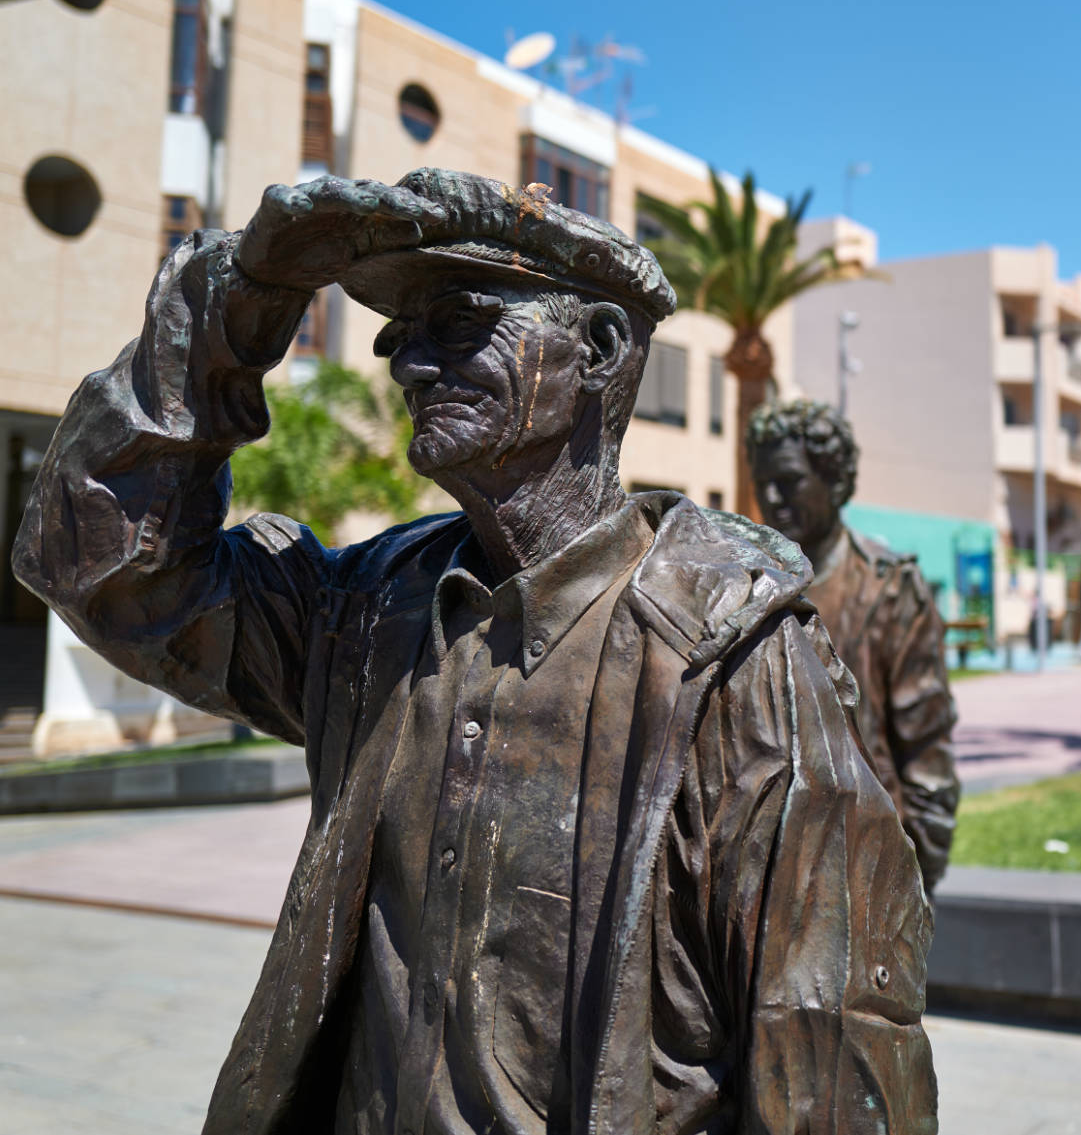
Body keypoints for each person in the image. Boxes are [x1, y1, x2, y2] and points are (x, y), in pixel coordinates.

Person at [11, 172, 936, 1134]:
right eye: (398, 335)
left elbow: (834, 1062)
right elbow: (102, 568)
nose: (410, 364)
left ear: (600, 350)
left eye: (455, 324)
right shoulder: (365, 612)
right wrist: (235, 303)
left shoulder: (734, 662)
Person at [747, 400, 960, 890]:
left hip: (866, 858)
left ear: (835, 482)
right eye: (763, 483)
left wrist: (918, 872)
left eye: (791, 481)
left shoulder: (887, 586)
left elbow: (925, 741)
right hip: (762, 863)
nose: (773, 498)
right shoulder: (744, 582)